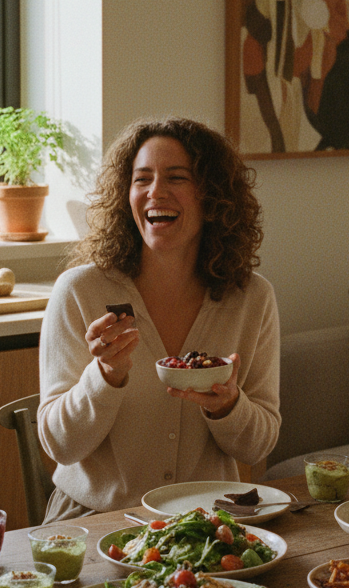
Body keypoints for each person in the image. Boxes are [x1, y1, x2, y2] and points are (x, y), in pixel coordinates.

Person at [37, 117, 281, 519]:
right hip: (94, 521)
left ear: (212, 196)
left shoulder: (252, 298)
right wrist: (105, 376)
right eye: (141, 179)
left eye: (177, 178)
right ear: (124, 193)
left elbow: (258, 446)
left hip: (206, 523)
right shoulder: (80, 292)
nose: (155, 192)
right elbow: (61, 446)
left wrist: (229, 406)